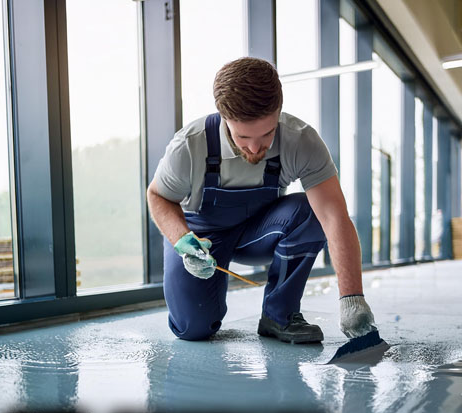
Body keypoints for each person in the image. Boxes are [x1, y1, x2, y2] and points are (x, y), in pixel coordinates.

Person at [147, 57, 377, 344]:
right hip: (201, 239)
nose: (255, 148)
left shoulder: (301, 141)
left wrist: (352, 299)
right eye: (243, 137)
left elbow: (334, 217)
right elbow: (157, 196)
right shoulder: (189, 146)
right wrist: (183, 241)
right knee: (193, 328)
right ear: (223, 117)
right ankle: (198, 311)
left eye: (267, 134)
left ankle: (279, 315)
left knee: (311, 213)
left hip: (258, 232)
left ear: (278, 111)